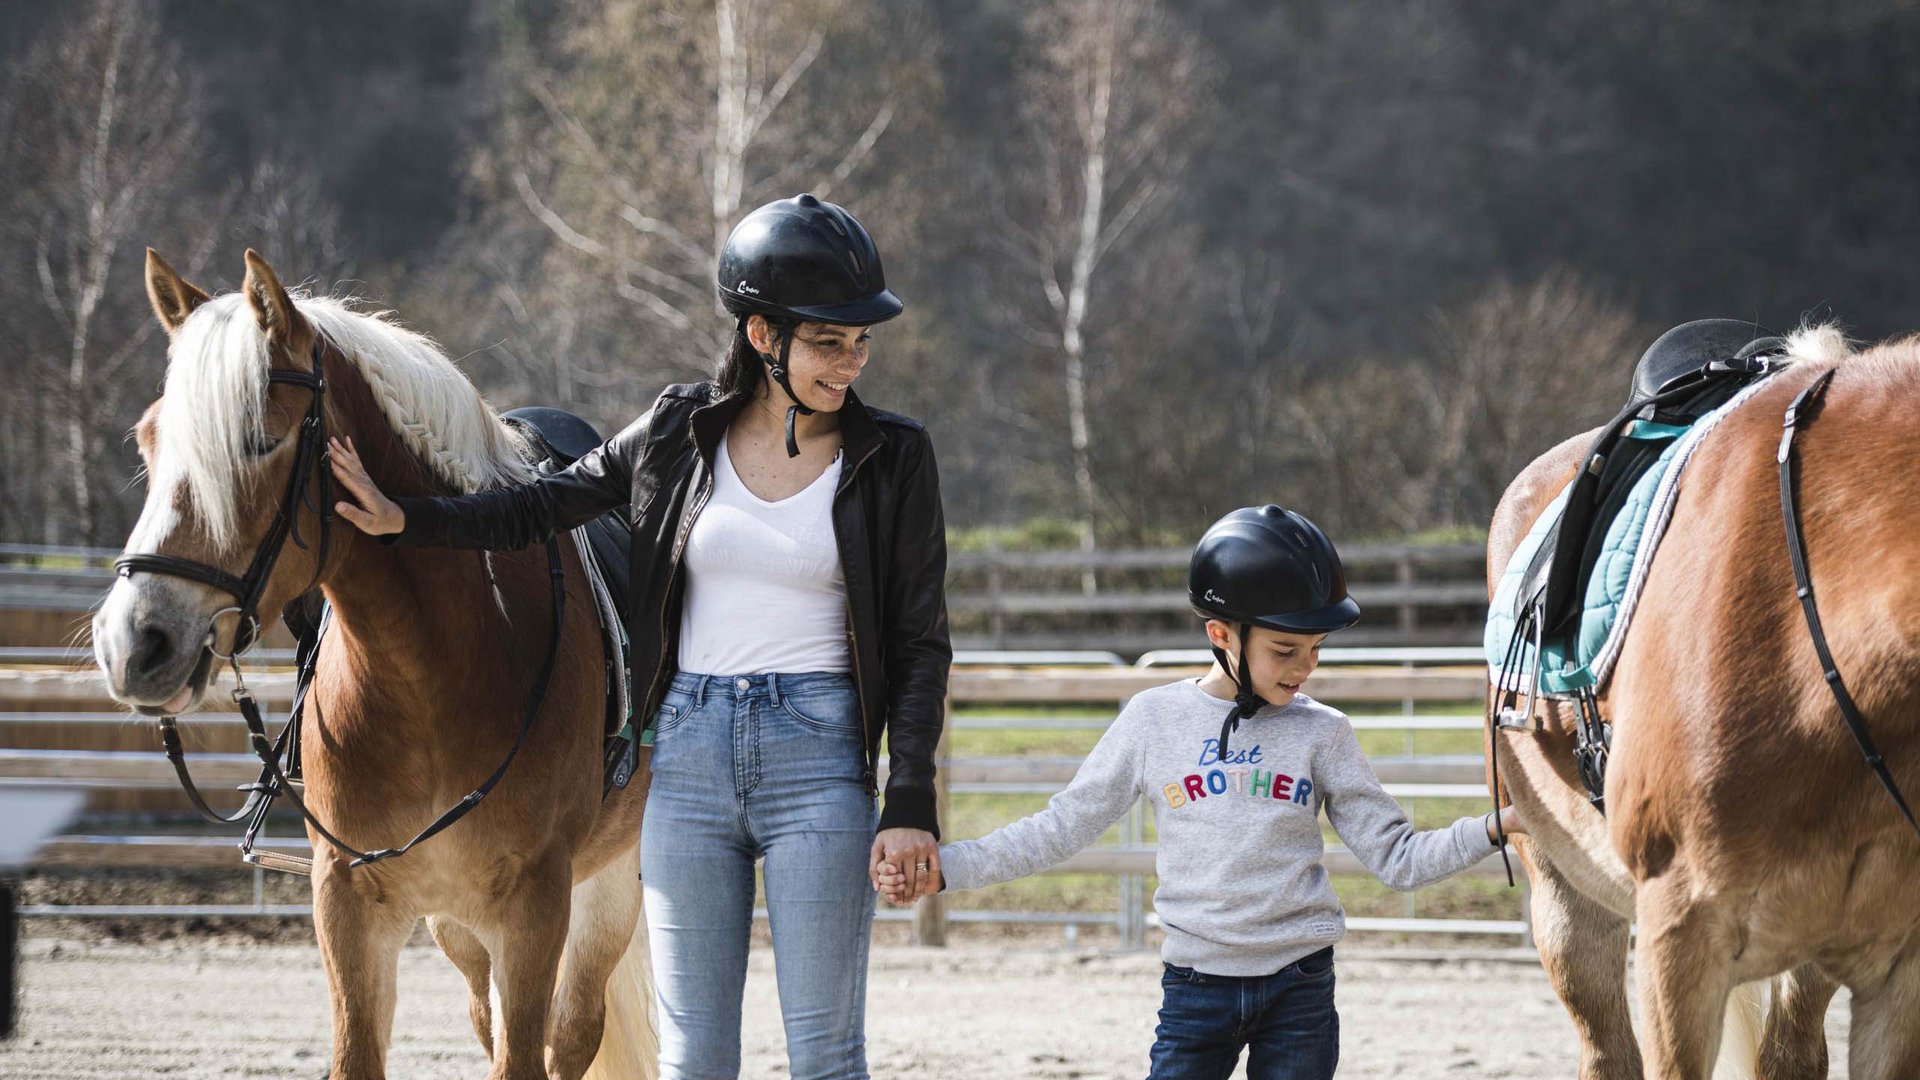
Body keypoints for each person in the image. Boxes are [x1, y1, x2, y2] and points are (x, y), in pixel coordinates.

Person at [330, 193, 951, 1080]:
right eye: (827, 341)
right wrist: (406, 520)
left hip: (820, 757)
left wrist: (912, 801)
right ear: (763, 335)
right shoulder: (674, 431)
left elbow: (922, 643)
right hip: (687, 754)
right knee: (694, 1058)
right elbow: (538, 506)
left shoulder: (895, 458)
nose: (850, 363)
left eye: (861, 342)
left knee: (826, 1053)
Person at [878, 505, 1523, 1080]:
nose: (1305, 669)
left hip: (1300, 987)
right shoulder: (1152, 721)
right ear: (1221, 635)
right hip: (1195, 989)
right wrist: (947, 870)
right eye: (1285, 650)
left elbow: (1399, 859)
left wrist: (1502, 825)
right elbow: (1060, 828)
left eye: (1316, 649)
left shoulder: (1324, 735)